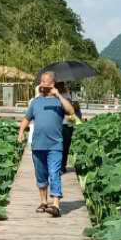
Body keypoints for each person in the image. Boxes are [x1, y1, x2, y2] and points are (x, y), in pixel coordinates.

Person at [18, 72, 76, 217]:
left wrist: (58, 95)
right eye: (42, 81)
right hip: (38, 145)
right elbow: (26, 119)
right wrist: (20, 132)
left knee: (54, 172)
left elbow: (71, 111)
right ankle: (44, 202)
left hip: (55, 145)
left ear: (53, 83)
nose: (44, 84)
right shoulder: (35, 102)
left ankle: (56, 205)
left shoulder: (59, 101)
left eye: (47, 81)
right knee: (41, 175)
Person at [58, 81, 83, 173]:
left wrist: (72, 105)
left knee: (65, 145)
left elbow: (75, 107)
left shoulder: (70, 94)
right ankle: (59, 166)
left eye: (61, 84)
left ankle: (62, 166)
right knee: (60, 145)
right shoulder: (54, 95)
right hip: (59, 123)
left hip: (68, 122)